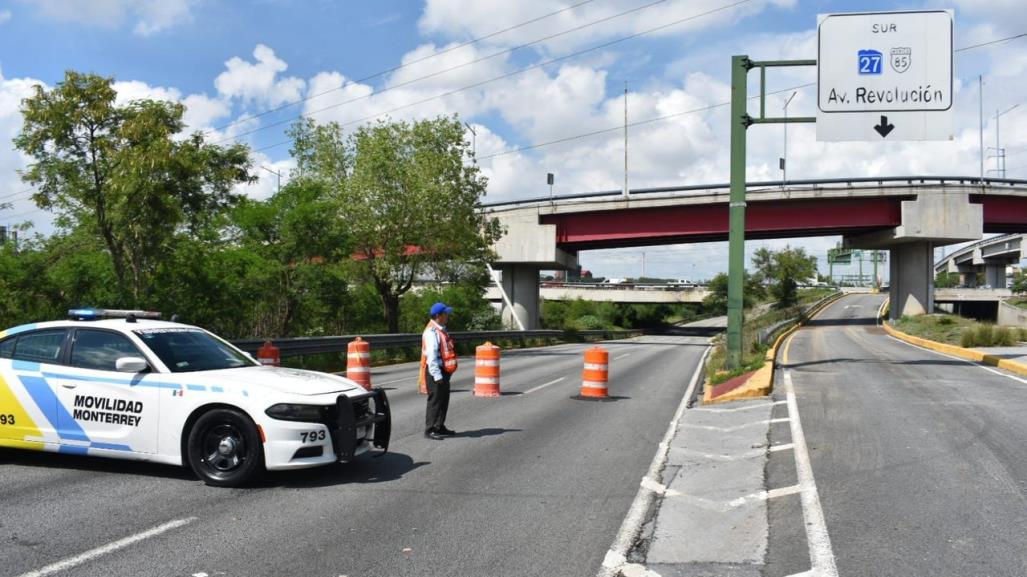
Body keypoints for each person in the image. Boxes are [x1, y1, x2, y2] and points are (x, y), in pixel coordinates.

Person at [420, 302, 458, 440]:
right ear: (438, 315)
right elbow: (432, 355)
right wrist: (437, 375)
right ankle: (430, 429)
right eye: (445, 314)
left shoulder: (441, 329)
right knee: (435, 401)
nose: (447, 316)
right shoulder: (431, 332)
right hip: (435, 371)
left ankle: (440, 426)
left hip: (444, 371)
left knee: (443, 400)